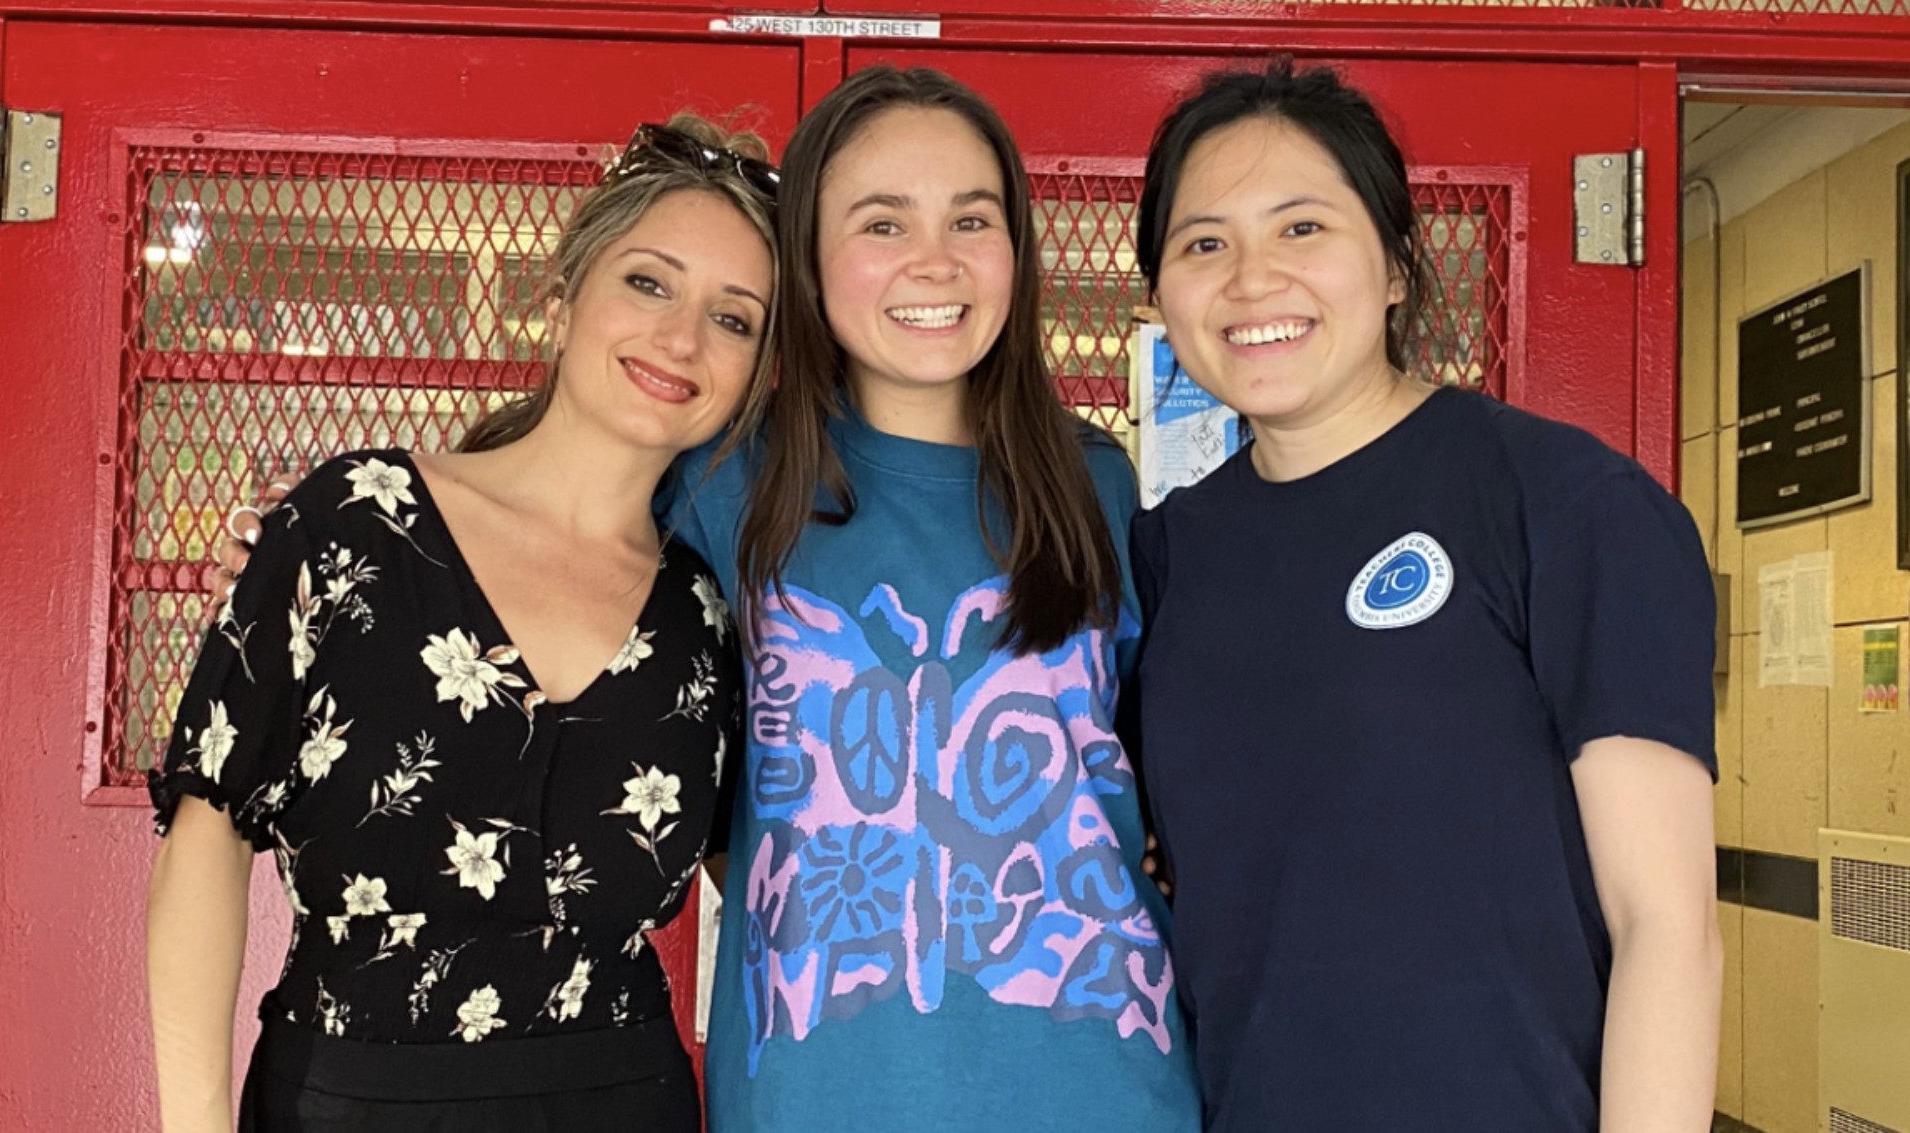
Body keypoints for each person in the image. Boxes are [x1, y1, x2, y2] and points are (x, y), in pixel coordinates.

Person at [210, 67, 1202, 1132]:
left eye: (972, 216)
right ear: (809, 269)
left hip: (1104, 1082)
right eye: (880, 220)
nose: (934, 258)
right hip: (815, 1092)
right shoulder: (726, 480)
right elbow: (533, 527)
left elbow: (1164, 756)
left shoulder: (1096, 482)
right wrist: (317, 549)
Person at [146, 115, 780, 1133]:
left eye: (735, 318)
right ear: (565, 294)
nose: (682, 338)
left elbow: (779, 870)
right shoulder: (355, 526)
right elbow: (206, 825)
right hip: (350, 1098)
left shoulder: (705, 619)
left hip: (622, 1102)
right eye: (649, 282)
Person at [1127, 59, 1722, 1133]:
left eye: (1300, 228)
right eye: (1202, 242)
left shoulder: (1564, 505)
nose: (1250, 279)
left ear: (1397, 263)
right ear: (1161, 292)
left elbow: (1664, 926)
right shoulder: (1170, 552)